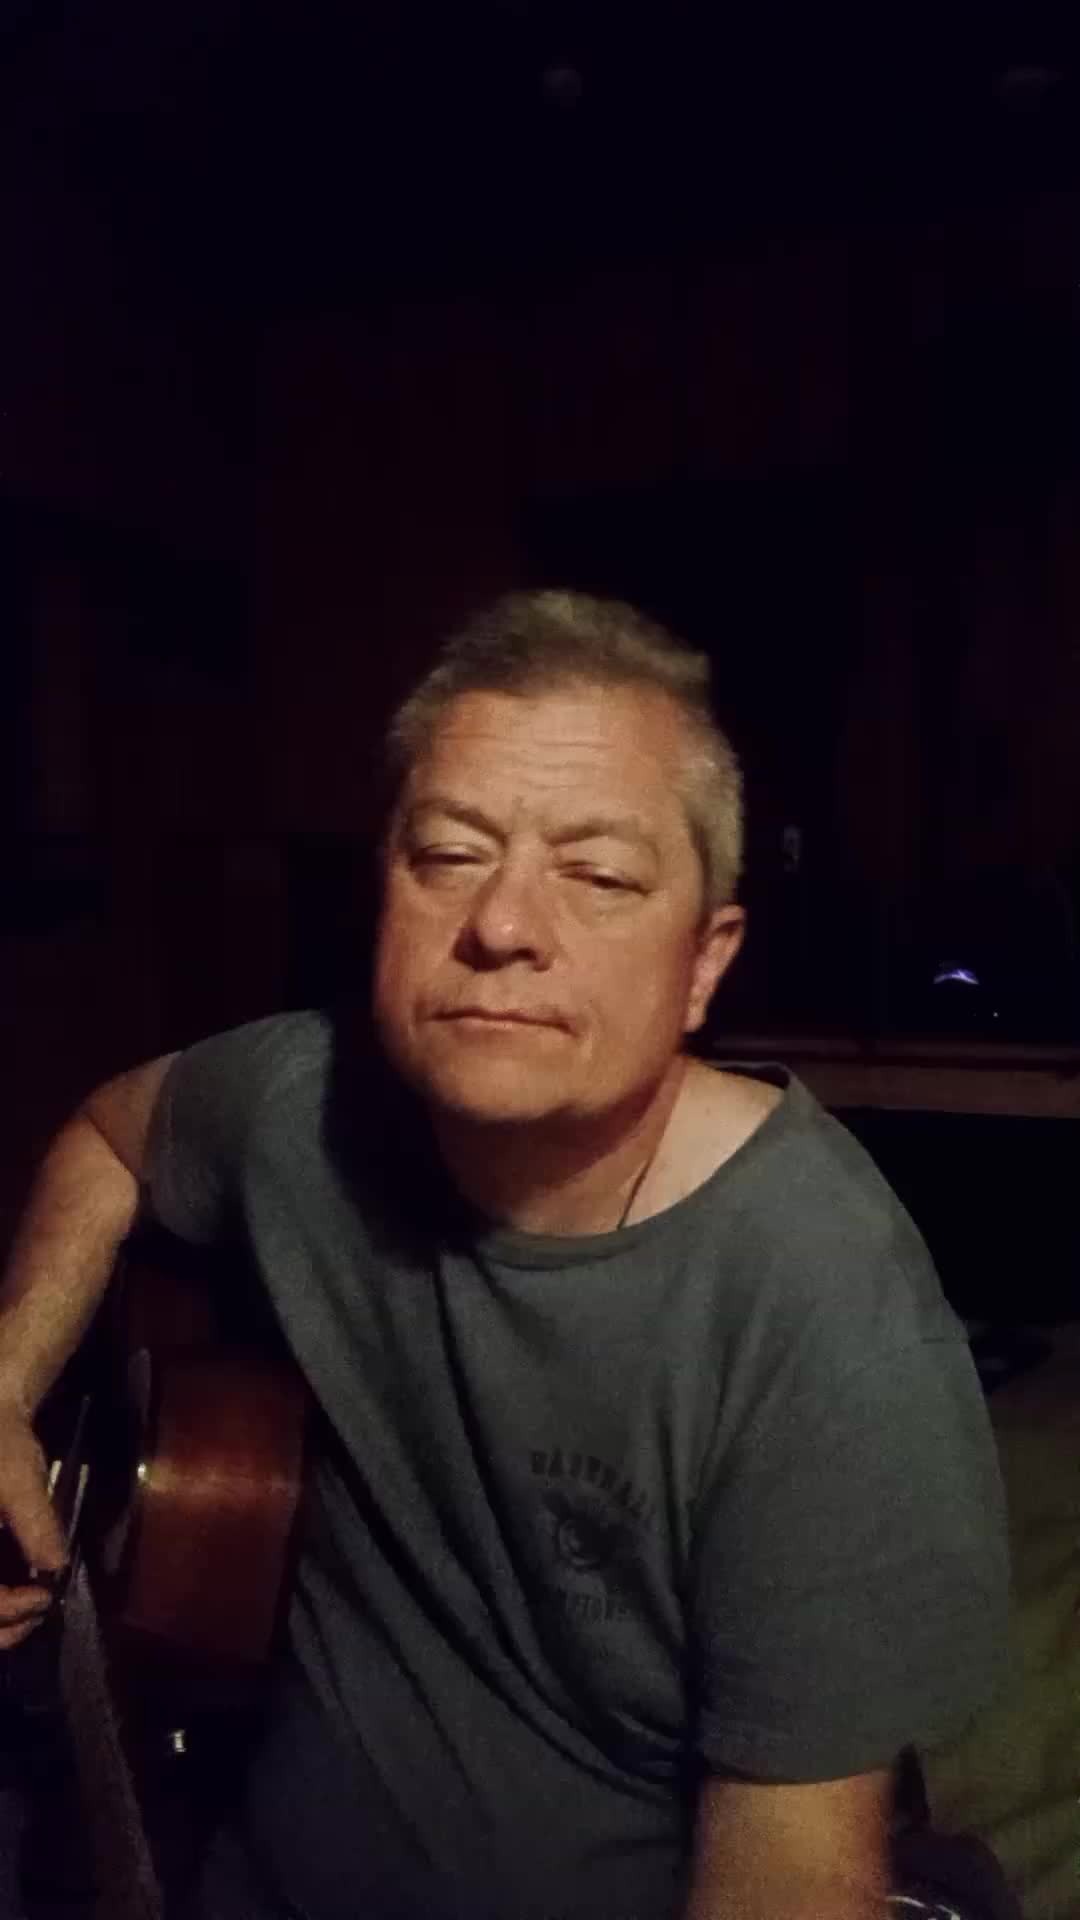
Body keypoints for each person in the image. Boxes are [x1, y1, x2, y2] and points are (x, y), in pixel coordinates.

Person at [0, 590, 1010, 1920]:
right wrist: (5, 1386)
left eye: (599, 877)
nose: (504, 925)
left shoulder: (822, 1304)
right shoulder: (299, 1097)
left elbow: (790, 1878)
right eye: (449, 855)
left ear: (704, 965)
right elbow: (106, 1139)